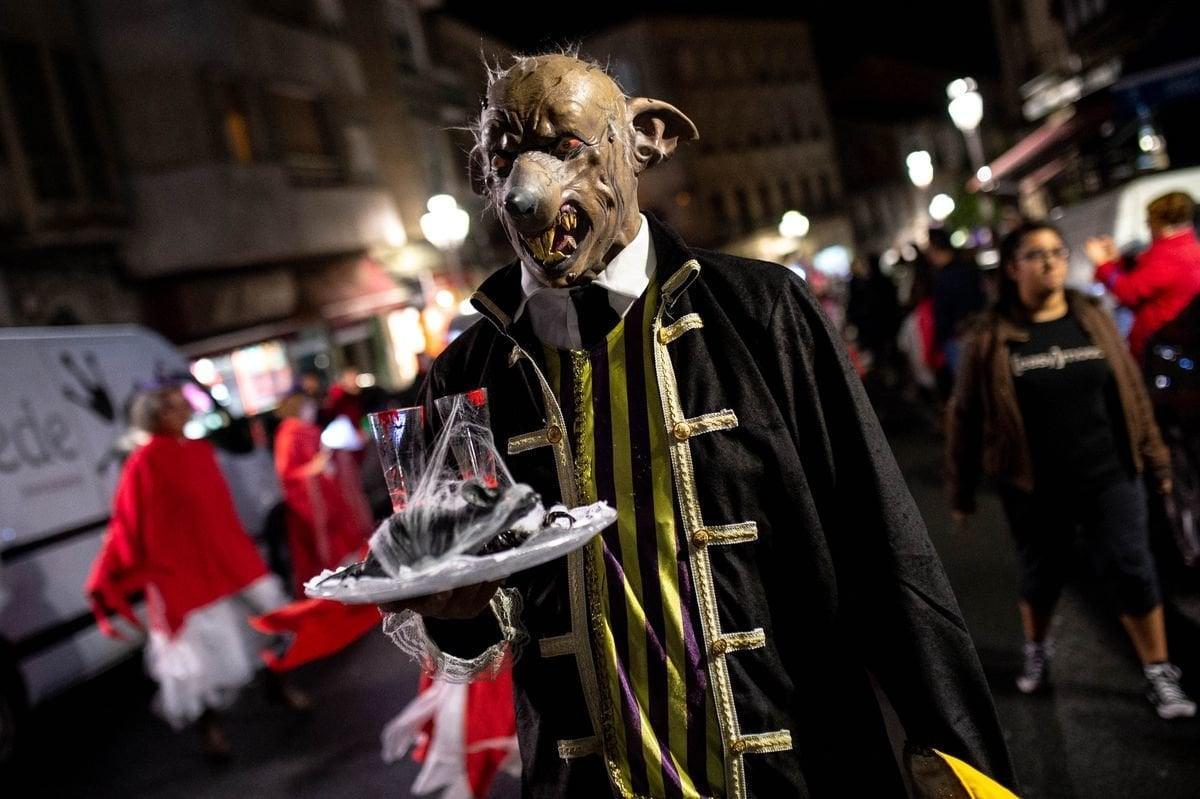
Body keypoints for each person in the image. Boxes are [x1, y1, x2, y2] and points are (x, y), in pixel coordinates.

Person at [378, 53, 1015, 798]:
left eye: (566, 146)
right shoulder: (466, 377)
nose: (526, 191)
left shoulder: (764, 312)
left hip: (795, 774)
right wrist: (455, 609)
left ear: (643, 142)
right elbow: (485, 621)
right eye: (504, 155)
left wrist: (958, 758)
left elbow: (884, 548)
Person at [947, 221, 1195, 719]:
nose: (1051, 263)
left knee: (1133, 567)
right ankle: (1037, 650)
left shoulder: (1092, 317)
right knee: (1042, 577)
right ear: (1012, 267)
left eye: (1057, 253)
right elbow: (966, 413)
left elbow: (1130, 393)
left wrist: (1156, 461)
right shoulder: (993, 336)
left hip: (1110, 473)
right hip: (1034, 483)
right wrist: (963, 489)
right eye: (1036, 255)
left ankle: (1159, 671)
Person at [85, 385, 310, 759]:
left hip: (230, 561)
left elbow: (219, 509)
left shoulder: (200, 451)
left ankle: (278, 685)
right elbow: (128, 522)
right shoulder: (143, 463)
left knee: (272, 620)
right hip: (184, 575)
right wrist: (111, 570)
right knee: (200, 658)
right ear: (158, 417)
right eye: (175, 407)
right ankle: (212, 733)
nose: (186, 411)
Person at [1086, 191, 1200, 365]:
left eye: (1149, 221)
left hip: (1159, 345)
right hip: (1173, 341)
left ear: (1160, 222)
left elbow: (1128, 292)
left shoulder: (1170, 257)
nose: (1147, 226)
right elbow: (1143, 276)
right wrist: (1116, 261)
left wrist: (1102, 263)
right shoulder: (1188, 247)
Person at [273, 391, 370, 594]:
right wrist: (313, 470)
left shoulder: (309, 431)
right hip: (316, 508)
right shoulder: (289, 435)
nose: (313, 411)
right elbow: (288, 474)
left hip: (330, 500)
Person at [927, 227, 987, 394]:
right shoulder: (967, 268)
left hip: (957, 337)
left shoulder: (943, 277)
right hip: (977, 330)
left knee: (968, 387)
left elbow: (942, 314)